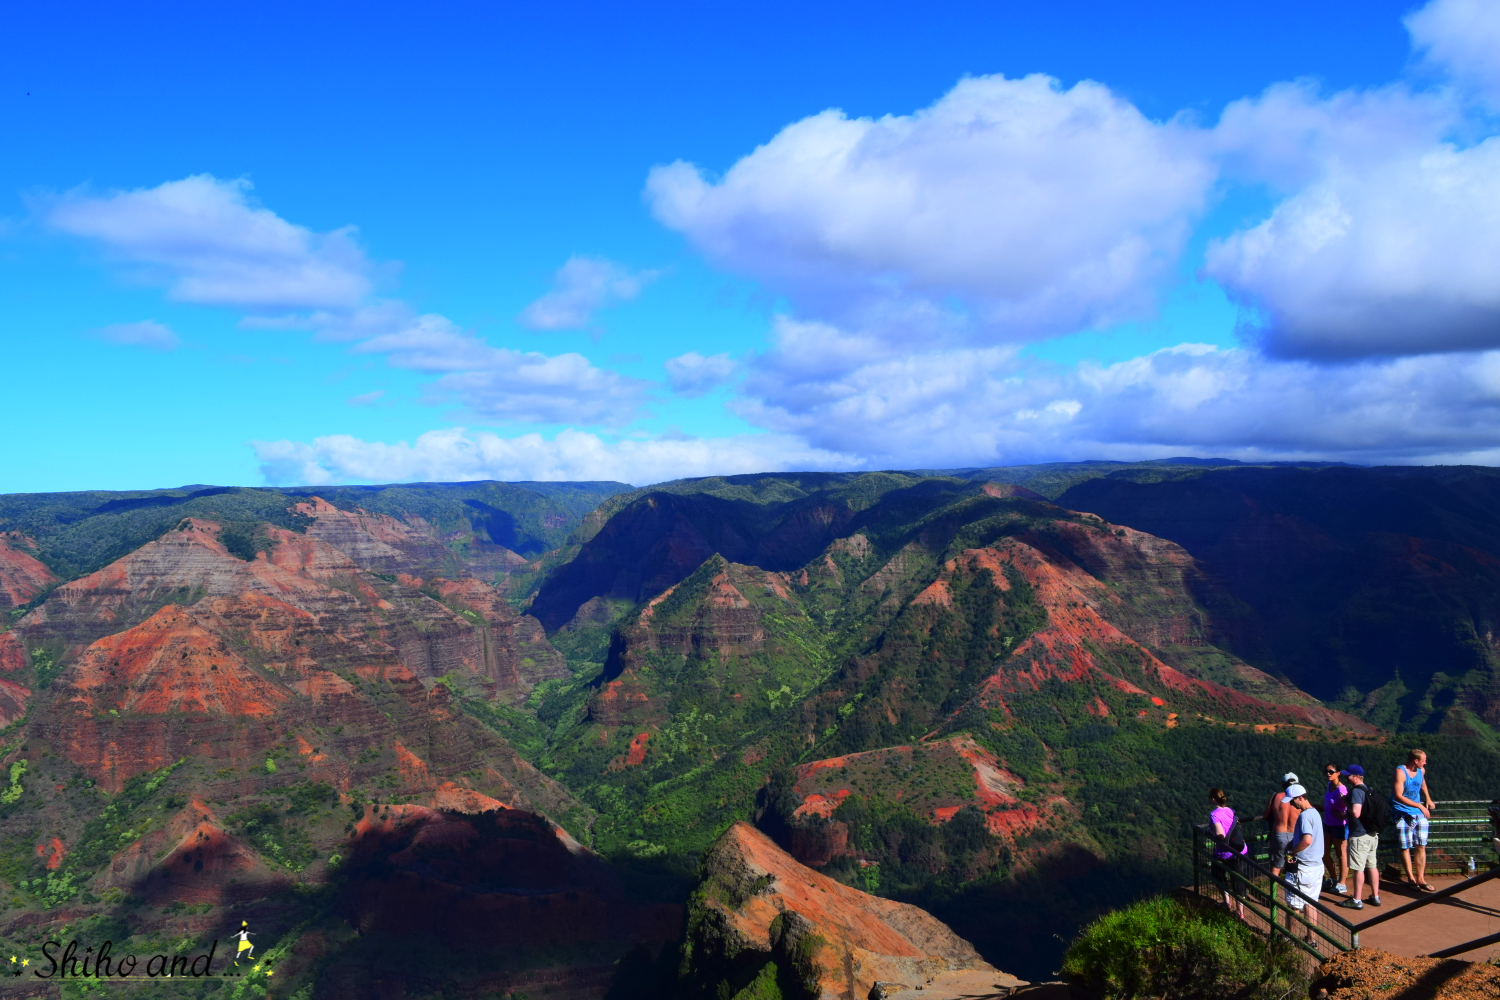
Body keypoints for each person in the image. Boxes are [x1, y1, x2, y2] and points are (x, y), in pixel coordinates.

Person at [1283, 784, 1326, 946]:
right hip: (1316, 866)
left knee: (1293, 904)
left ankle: (1289, 937)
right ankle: (1311, 939)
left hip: (1302, 868)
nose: (1291, 804)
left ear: (1300, 798)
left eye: (1293, 801)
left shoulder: (1304, 817)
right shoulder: (1315, 813)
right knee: (1311, 903)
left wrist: (1292, 852)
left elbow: (1307, 839)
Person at [1338, 766, 1382, 910]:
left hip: (1359, 835)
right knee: (1372, 866)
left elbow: (1356, 813)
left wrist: (1345, 803)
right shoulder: (1368, 790)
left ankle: (1357, 900)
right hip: (1372, 833)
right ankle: (1375, 896)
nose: (1346, 777)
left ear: (1356, 776)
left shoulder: (1356, 792)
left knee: (1358, 869)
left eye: (1348, 775)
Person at [1393, 749, 1436, 892]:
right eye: (1423, 760)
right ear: (1415, 761)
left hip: (1419, 813)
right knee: (1405, 847)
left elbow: (1422, 783)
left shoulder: (1421, 771)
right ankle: (1411, 878)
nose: (1426, 762)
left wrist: (1428, 799)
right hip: (1402, 813)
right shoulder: (1400, 772)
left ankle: (1421, 878)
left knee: (1421, 845)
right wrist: (1419, 805)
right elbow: (1398, 796)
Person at [1208, 787, 1248, 919]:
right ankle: (1240, 912)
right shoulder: (1230, 810)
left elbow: (1220, 835)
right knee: (1238, 881)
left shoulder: (1214, 814)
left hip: (1225, 852)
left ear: (1213, 800)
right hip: (1240, 850)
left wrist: (1210, 833)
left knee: (1218, 875)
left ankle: (1227, 903)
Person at [1263, 771, 1301, 879]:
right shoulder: (1300, 798)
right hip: (1295, 835)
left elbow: (1265, 815)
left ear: (1283, 784)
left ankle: (1273, 894)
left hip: (1279, 834)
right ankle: (1295, 891)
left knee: (1275, 867)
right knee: (1294, 864)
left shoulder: (1276, 796)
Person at [1322, 764, 1350, 894]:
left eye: (1331, 771)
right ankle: (1333, 879)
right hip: (1327, 823)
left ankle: (1342, 883)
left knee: (1341, 855)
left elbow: (1350, 808)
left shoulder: (1342, 790)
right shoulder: (1329, 786)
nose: (1328, 774)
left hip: (1339, 825)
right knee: (1324, 853)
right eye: (1326, 771)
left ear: (1338, 773)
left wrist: (1343, 816)